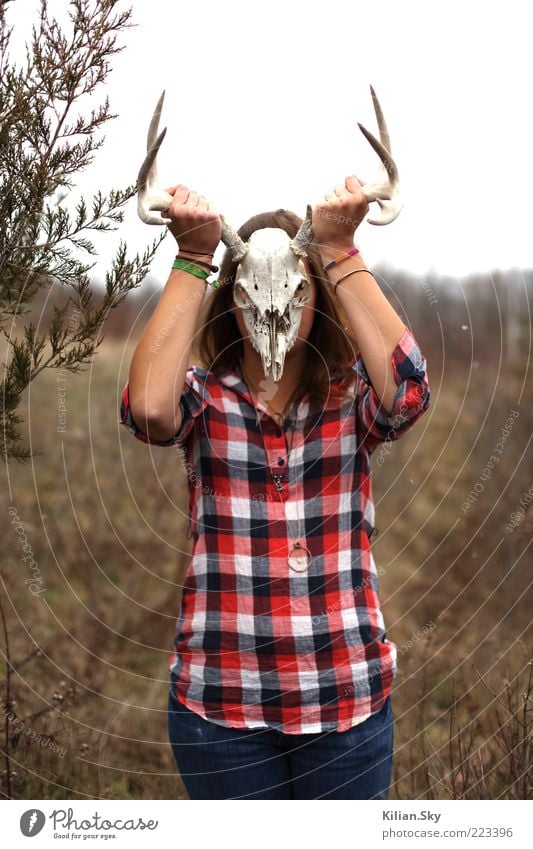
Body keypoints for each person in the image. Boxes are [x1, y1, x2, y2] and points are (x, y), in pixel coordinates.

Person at [119, 176, 431, 799]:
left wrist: (340, 250)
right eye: (248, 289)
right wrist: (194, 255)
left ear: (315, 294)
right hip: (221, 708)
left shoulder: (351, 401)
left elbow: (409, 392)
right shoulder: (204, 399)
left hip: (346, 707)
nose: (269, 307)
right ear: (230, 299)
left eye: (293, 287)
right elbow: (148, 410)